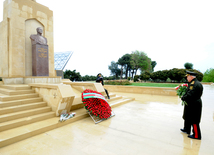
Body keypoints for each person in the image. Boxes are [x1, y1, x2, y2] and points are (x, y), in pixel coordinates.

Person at [180, 71, 203, 140]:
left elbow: (190, 94)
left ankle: (196, 135)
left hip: (194, 104)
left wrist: (183, 97)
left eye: (187, 76)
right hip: (193, 103)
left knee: (194, 120)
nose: (187, 78)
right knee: (188, 117)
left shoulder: (194, 84)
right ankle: (187, 129)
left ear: (191, 76)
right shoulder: (196, 83)